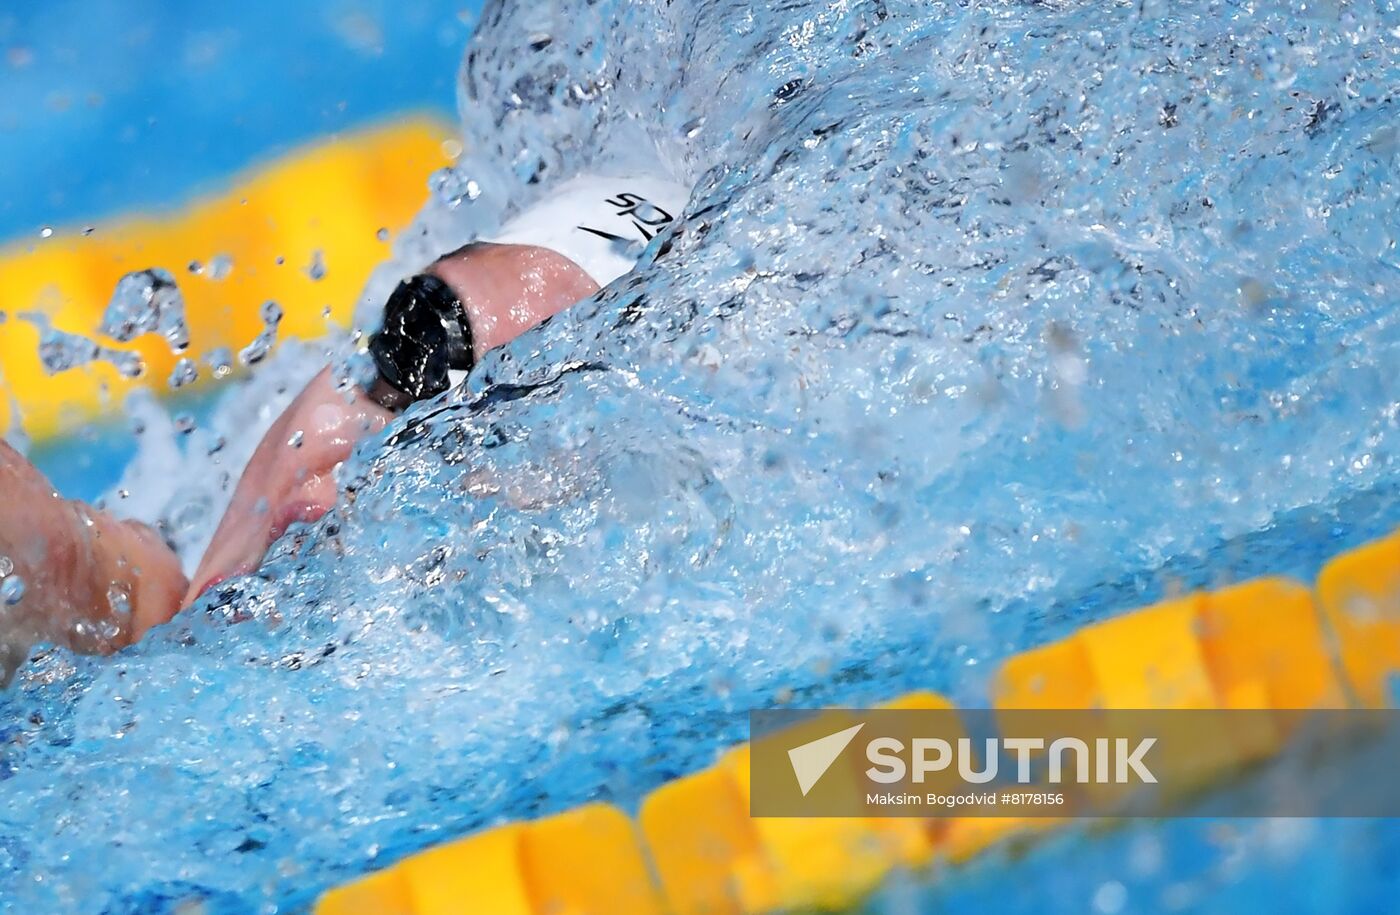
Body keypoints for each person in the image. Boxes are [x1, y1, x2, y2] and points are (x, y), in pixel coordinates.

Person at [0, 174, 687, 676]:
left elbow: (795, 786)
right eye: (409, 347)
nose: (374, 451)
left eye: (488, 433)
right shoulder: (122, 603)